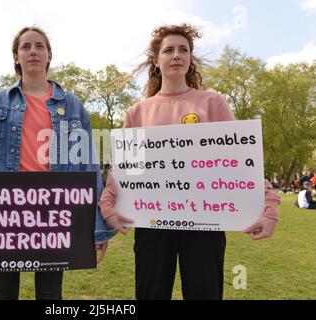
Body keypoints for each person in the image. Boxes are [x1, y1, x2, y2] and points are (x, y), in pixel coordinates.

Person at [99, 24, 281, 300]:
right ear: (156, 60)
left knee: (204, 293)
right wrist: (107, 204)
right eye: (168, 50)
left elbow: (242, 160)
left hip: (205, 223)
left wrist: (269, 207)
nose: (176, 55)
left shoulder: (212, 103)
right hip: (153, 223)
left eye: (183, 50)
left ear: (190, 59)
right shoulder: (137, 112)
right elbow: (121, 170)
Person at [0, 26, 115, 300]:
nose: (33, 51)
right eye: (26, 46)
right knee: (3, 292)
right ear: (16, 57)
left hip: (54, 215)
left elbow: (88, 167)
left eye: (39, 46)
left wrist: (98, 224)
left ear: (49, 55)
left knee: (50, 294)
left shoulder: (73, 107)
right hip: (2, 214)